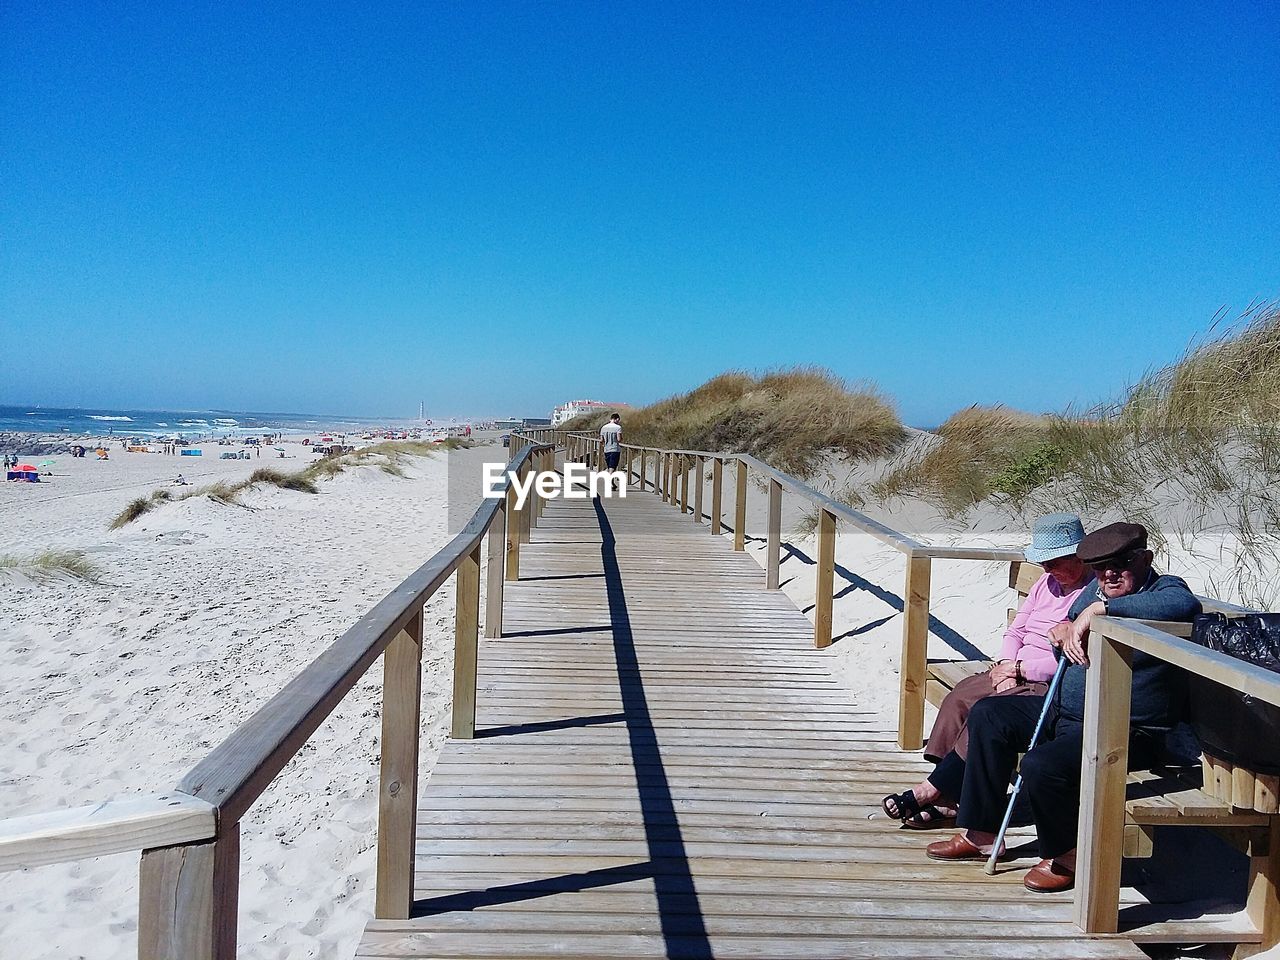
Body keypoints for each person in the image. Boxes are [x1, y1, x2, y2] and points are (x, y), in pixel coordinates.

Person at [923, 522, 1201, 892]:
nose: (1109, 573)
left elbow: (1184, 605)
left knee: (1043, 765)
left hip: (1125, 727)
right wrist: (1063, 631)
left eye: (1121, 563)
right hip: (1067, 712)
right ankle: (983, 833)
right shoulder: (1095, 590)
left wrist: (1100, 609)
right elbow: (1066, 636)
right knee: (989, 714)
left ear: (1145, 559)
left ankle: (1065, 854)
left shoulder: (1164, 589)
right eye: (1101, 567)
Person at [881, 513, 1091, 828]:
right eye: (1044, 563)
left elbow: (1067, 659)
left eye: (1054, 562)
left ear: (1078, 555)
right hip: (1013, 667)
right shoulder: (1044, 584)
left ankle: (933, 791)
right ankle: (950, 795)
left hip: (1043, 680)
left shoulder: (1088, 595)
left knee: (985, 711)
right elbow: (1015, 632)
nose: (1048, 569)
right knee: (959, 696)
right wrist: (1006, 667)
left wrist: (1019, 670)